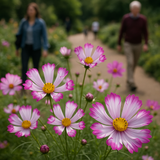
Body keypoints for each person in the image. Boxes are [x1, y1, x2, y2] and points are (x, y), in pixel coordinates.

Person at [117, 1, 148, 91]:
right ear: (131, 9)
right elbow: (121, 31)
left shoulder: (143, 19)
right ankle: (131, 82)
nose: (135, 10)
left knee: (134, 63)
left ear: (139, 9)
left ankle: (129, 79)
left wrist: (145, 43)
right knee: (130, 62)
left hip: (138, 44)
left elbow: (145, 32)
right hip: (128, 43)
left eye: (137, 8)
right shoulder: (126, 18)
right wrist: (119, 43)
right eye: (134, 8)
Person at [15, 3, 48, 86]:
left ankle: (35, 86)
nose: (30, 11)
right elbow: (19, 35)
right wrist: (17, 48)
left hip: (36, 48)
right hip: (25, 47)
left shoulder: (41, 23)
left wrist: (45, 49)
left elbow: (44, 36)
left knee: (35, 68)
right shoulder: (23, 22)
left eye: (32, 10)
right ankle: (24, 86)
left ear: (36, 11)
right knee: (24, 66)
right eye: (29, 10)